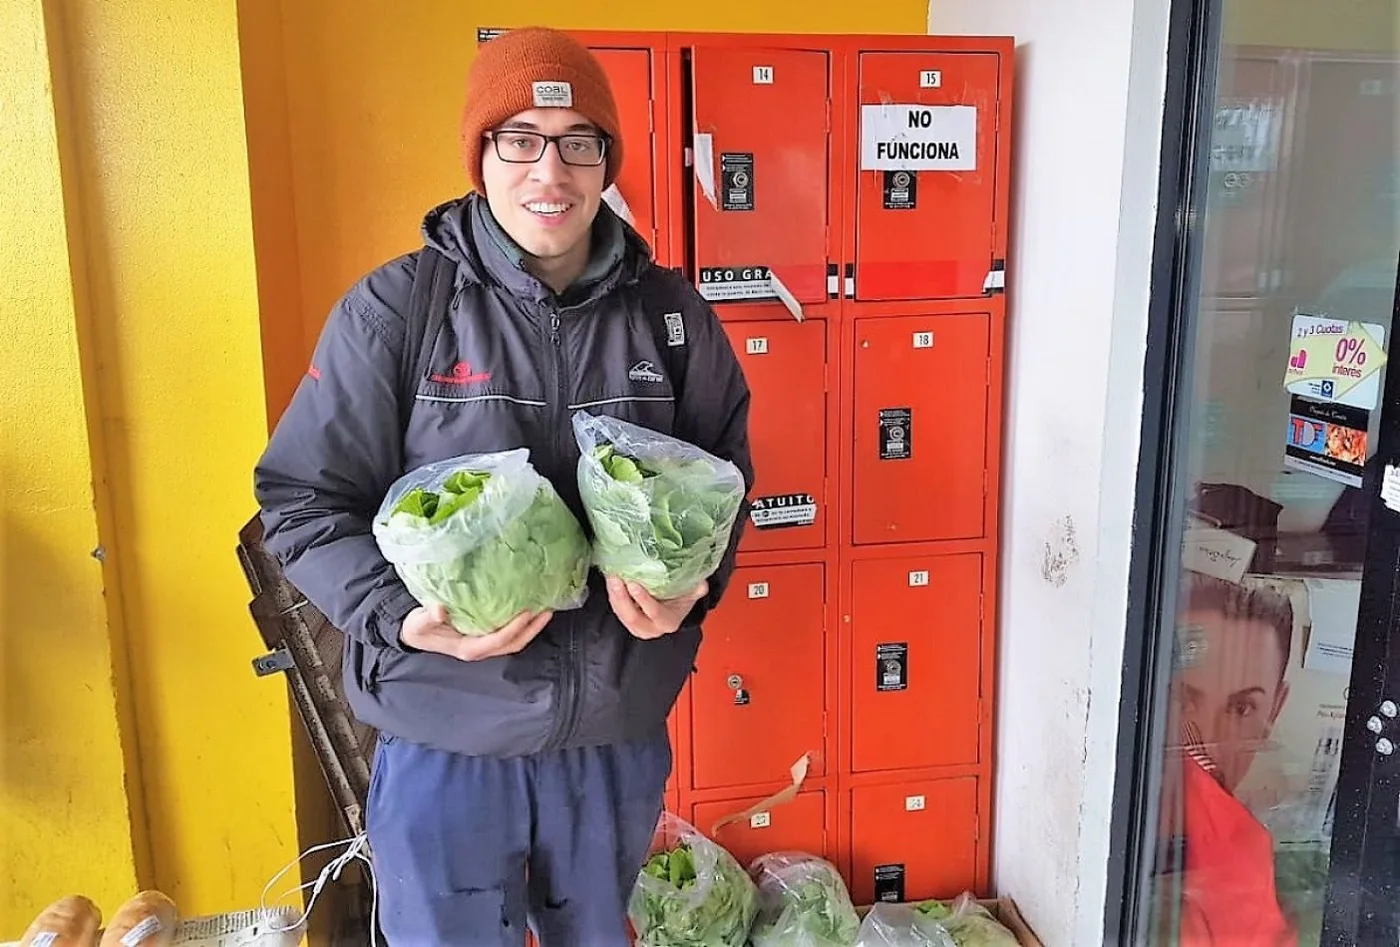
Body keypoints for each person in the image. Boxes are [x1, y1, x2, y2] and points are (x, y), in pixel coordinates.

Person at [252, 26, 754, 945]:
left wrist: (693, 590)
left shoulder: (674, 319)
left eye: (577, 142)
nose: (549, 173)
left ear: (606, 161)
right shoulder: (397, 310)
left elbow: (724, 485)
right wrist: (399, 616)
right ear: (481, 156)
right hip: (446, 732)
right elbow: (301, 501)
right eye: (519, 139)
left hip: (610, 736)